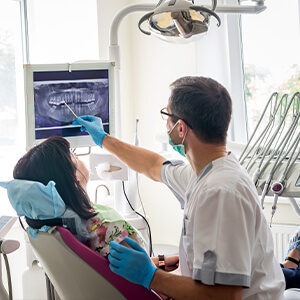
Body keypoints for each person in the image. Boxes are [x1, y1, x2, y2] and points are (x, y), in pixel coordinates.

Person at [73, 76, 285, 299]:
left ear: (180, 128)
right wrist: (103, 138)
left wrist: (151, 276)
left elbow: (224, 295)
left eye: (167, 115)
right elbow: (153, 165)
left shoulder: (220, 192)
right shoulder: (204, 173)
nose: (165, 124)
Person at [12, 136, 142, 256]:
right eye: (75, 156)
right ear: (75, 180)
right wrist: (162, 261)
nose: (80, 158)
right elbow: (147, 274)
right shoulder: (111, 230)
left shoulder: (48, 229)